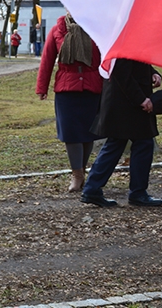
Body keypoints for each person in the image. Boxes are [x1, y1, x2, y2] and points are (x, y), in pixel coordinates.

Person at [81, 59, 162, 208]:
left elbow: (136, 62)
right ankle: (137, 193)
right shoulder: (125, 41)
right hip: (127, 102)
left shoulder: (125, 39)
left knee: (118, 143)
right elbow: (121, 72)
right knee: (142, 142)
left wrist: (152, 72)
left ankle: (92, 188)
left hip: (123, 101)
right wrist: (140, 99)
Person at [35, 13, 102, 192]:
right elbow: (47, 60)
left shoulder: (97, 28)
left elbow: (107, 57)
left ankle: (83, 171)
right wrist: (42, 87)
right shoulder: (58, 30)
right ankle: (77, 175)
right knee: (71, 134)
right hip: (67, 88)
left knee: (88, 133)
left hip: (92, 86)